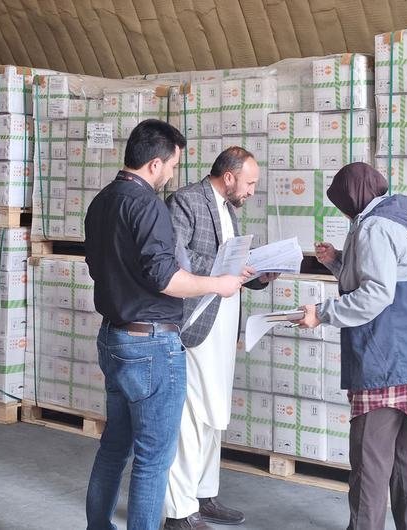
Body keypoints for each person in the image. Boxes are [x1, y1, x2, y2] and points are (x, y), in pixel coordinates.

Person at [84, 119, 248, 530]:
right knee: (154, 458)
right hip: (152, 344)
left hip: (114, 337)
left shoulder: (102, 201)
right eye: (173, 165)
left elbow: (96, 266)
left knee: (113, 448)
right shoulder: (148, 205)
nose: (173, 174)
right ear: (155, 164)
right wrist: (219, 284)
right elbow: (167, 278)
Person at [292, 162, 407, 530]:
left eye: (343, 203)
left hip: (386, 361)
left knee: (371, 458)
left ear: (354, 196)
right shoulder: (395, 221)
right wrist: (336, 262)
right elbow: (379, 277)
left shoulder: (373, 228)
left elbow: (376, 294)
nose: (343, 211)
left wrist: (322, 313)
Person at [162, 146, 278, 530]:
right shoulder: (187, 201)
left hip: (223, 328)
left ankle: (203, 493)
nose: (251, 191)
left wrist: (259, 274)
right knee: (190, 417)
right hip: (196, 324)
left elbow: (232, 273)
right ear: (228, 177)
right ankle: (179, 511)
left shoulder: (228, 210)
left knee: (214, 415)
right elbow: (174, 258)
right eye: (249, 183)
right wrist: (222, 268)